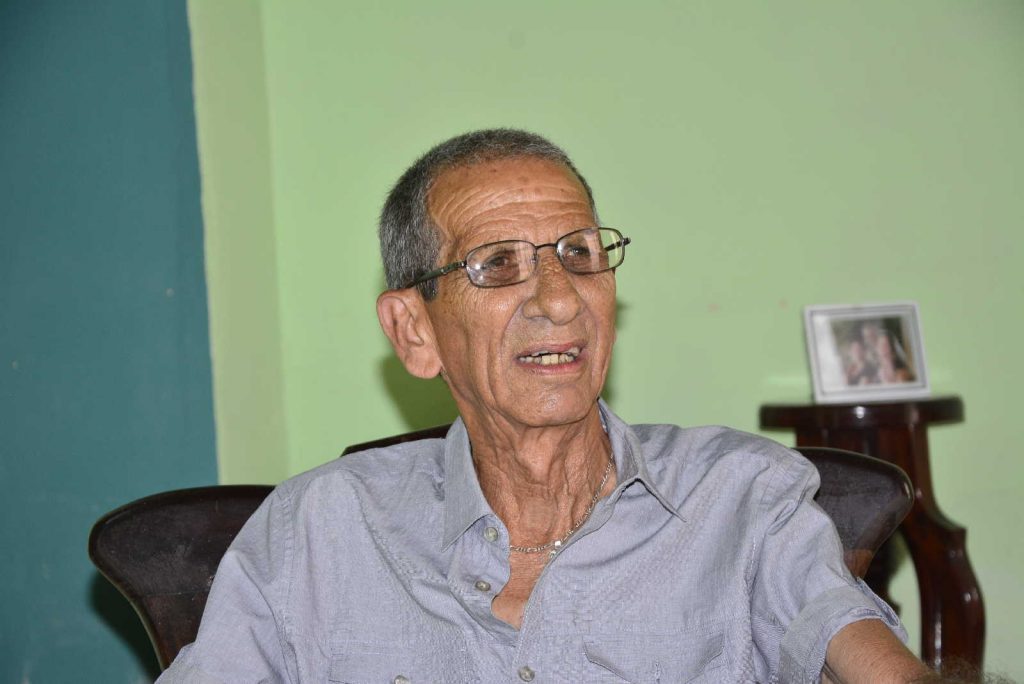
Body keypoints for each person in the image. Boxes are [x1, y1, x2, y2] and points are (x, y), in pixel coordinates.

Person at [158, 129, 937, 682]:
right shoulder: (319, 534)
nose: (561, 301)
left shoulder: (742, 501)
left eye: (579, 255)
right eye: (499, 265)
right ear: (414, 330)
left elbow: (862, 650)